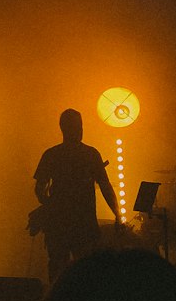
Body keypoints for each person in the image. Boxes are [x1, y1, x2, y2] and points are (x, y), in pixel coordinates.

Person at [32, 108, 121, 282]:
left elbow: (39, 187)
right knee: (86, 272)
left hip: (60, 225)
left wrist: (48, 205)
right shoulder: (90, 154)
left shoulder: (52, 154)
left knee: (59, 272)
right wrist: (117, 214)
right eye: (77, 126)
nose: (80, 130)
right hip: (84, 224)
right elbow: (105, 186)